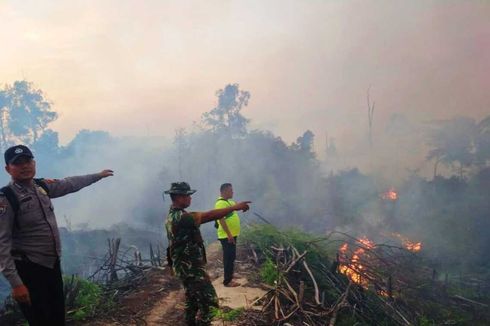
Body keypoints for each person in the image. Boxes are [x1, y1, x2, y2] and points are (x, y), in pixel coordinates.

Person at [0, 145, 113, 326]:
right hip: (29, 269)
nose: (24, 166)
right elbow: (2, 243)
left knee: (57, 318)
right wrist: (16, 284)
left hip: (51, 265)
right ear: (8, 169)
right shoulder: (6, 198)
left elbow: (70, 184)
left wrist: (97, 176)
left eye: (27, 161)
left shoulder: (41, 187)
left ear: (34, 163)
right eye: (17, 163)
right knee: (41, 320)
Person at [164, 182, 250, 326]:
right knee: (210, 303)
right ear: (179, 197)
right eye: (188, 196)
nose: (190, 199)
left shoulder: (173, 215)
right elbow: (208, 216)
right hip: (191, 268)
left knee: (192, 300)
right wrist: (235, 207)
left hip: (185, 267)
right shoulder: (181, 217)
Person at [215, 183, 241, 287]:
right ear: (224, 191)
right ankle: (227, 281)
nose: (233, 192)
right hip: (227, 236)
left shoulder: (229, 201)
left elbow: (237, 206)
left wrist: (241, 206)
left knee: (232, 256)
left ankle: (230, 276)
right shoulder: (220, 204)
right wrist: (229, 235)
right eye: (230, 190)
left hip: (232, 235)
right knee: (228, 257)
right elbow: (221, 220)